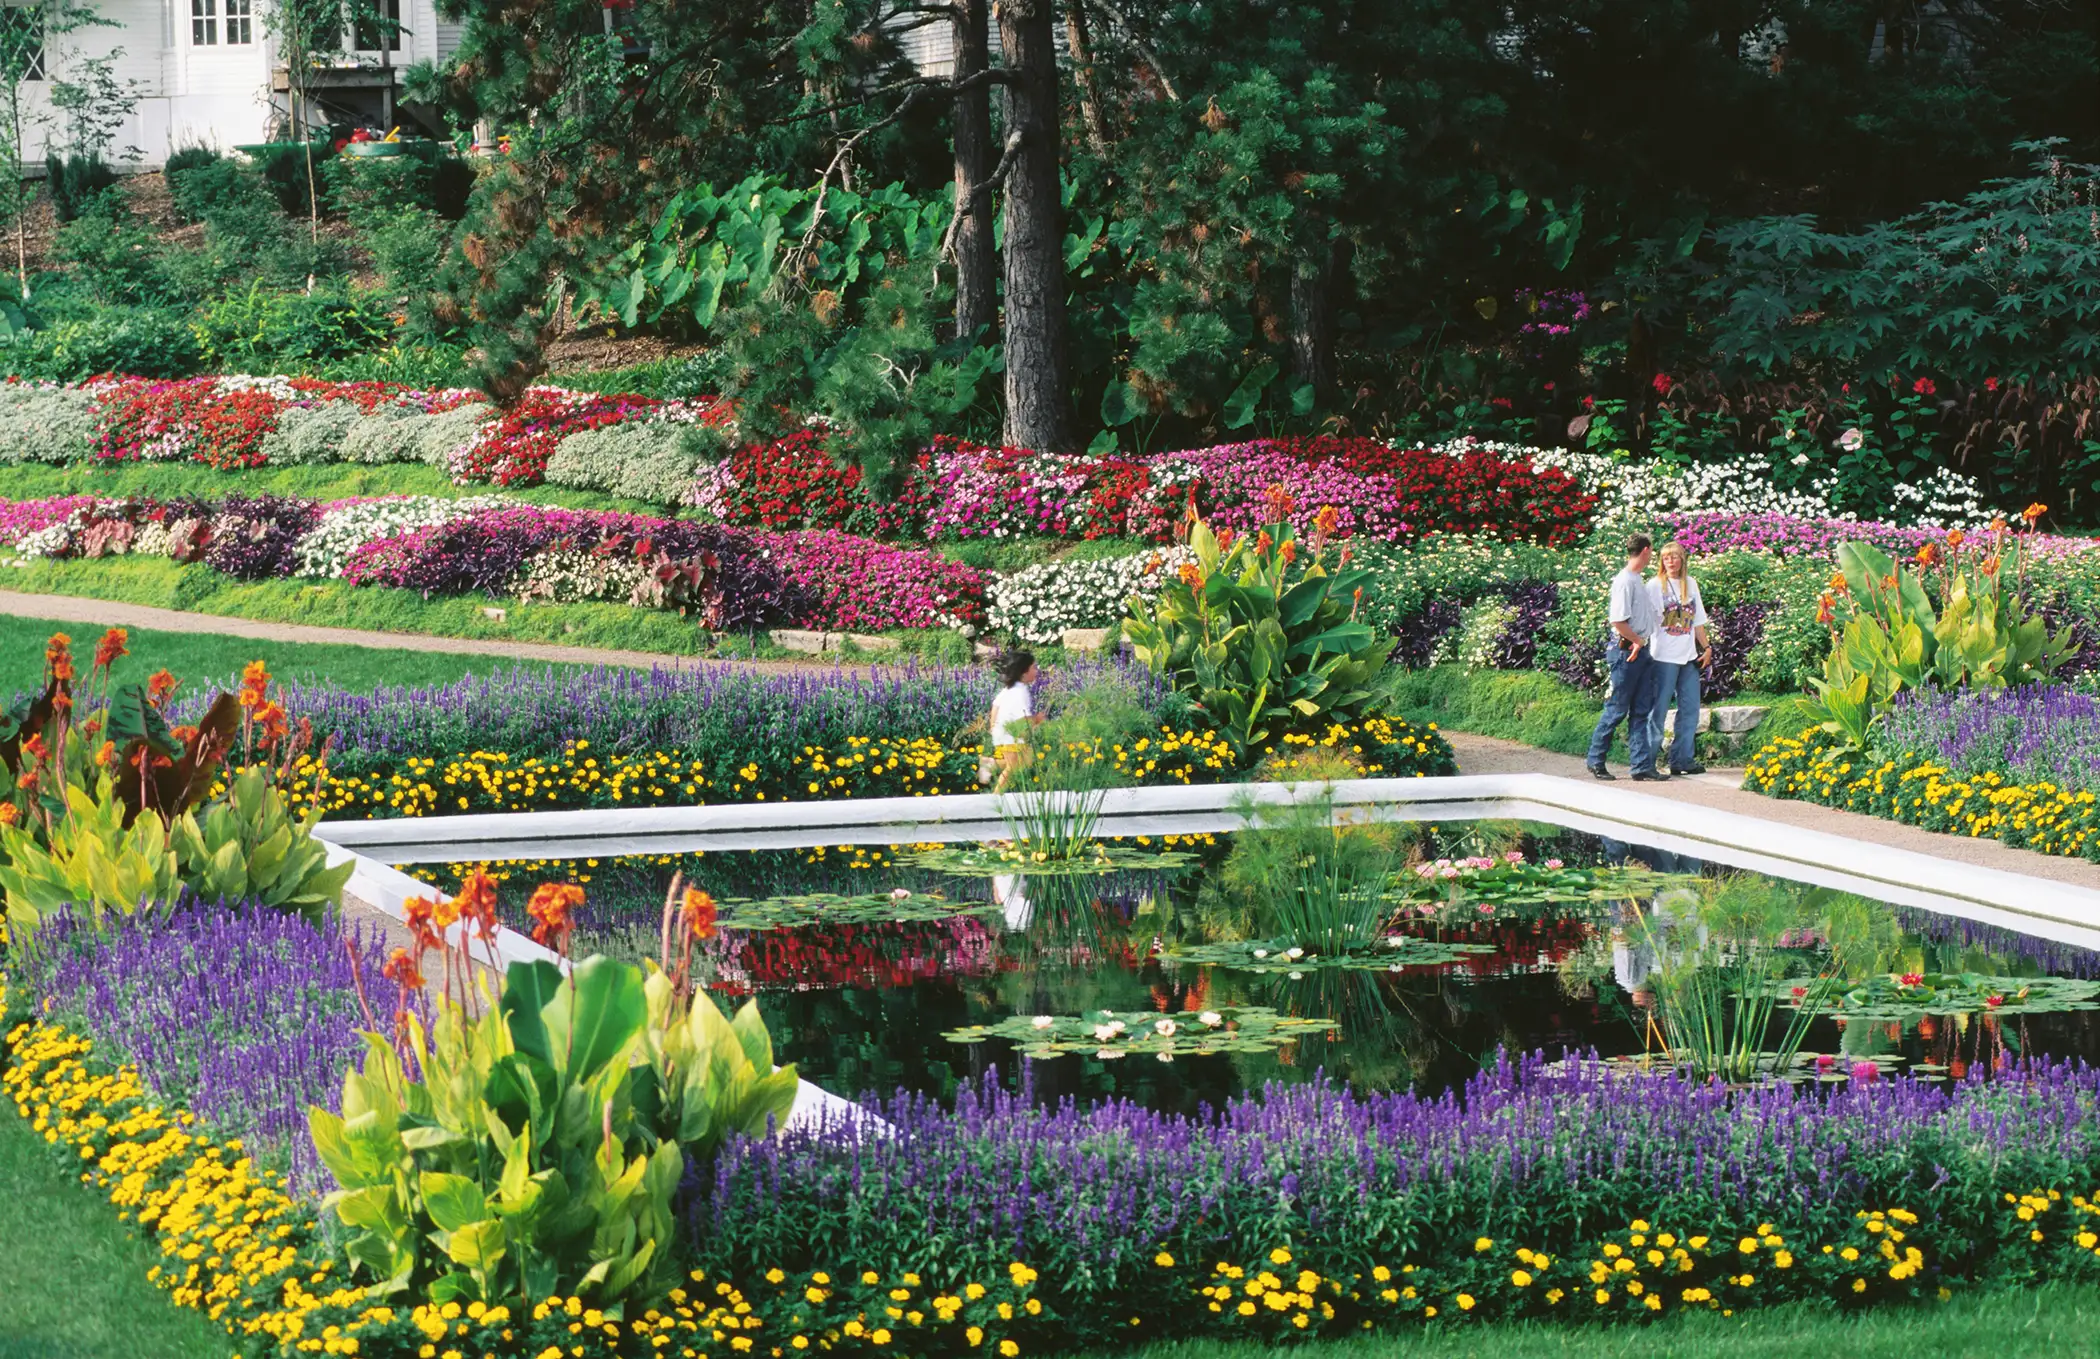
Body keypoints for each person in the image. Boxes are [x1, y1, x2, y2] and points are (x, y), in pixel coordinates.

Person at [1585, 534, 1665, 782]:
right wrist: (1637, 641)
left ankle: (1641, 766)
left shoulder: (1636, 579)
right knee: (1617, 709)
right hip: (1625, 652)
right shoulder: (1625, 581)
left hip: (1640, 652)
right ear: (1646, 550)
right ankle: (1595, 760)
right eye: (1651, 551)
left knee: (1641, 710)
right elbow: (1618, 621)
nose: (1652, 555)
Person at [1646, 541, 1712, 776]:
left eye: (1674, 557)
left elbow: (1698, 620)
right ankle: (1647, 762)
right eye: (1666, 558)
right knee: (1659, 710)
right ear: (1661, 562)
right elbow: (1644, 618)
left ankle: (1682, 759)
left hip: (1688, 657)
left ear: (1682, 559)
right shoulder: (1654, 586)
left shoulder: (1690, 584)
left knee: (1691, 708)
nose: (1671, 562)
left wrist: (1706, 647)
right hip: (1663, 657)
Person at [988, 650, 1045, 789]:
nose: (1037, 671)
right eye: (1034, 668)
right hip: (1011, 736)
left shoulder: (1009, 689)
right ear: (1024, 673)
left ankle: (989, 764)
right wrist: (1037, 719)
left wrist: (993, 727)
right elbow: (1023, 719)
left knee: (1027, 760)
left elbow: (995, 706)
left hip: (1002, 733)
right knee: (1013, 768)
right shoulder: (1021, 692)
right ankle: (996, 798)